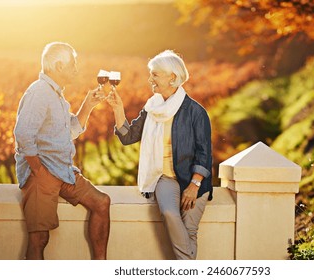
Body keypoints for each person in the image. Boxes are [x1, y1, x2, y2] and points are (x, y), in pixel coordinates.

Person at [107, 50, 213, 260]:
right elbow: (129, 137)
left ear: (172, 77)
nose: (150, 79)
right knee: (169, 213)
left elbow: (204, 153)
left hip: (194, 180)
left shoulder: (195, 111)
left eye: (155, 74)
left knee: (190, 230)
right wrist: (118, 109)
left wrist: (194, 185)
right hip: (164, 177)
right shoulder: (152, 107)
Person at [13, 42, 111, 260]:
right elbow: (23, 134)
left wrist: (88, 105)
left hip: (63, 171)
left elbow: (71, 131)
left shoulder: (56, 95)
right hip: (42, 174)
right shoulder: (39, 92)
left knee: (101, 203)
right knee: (39, 239)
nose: (76, 68)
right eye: (72, 64)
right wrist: (38, 170)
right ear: (58, 66)